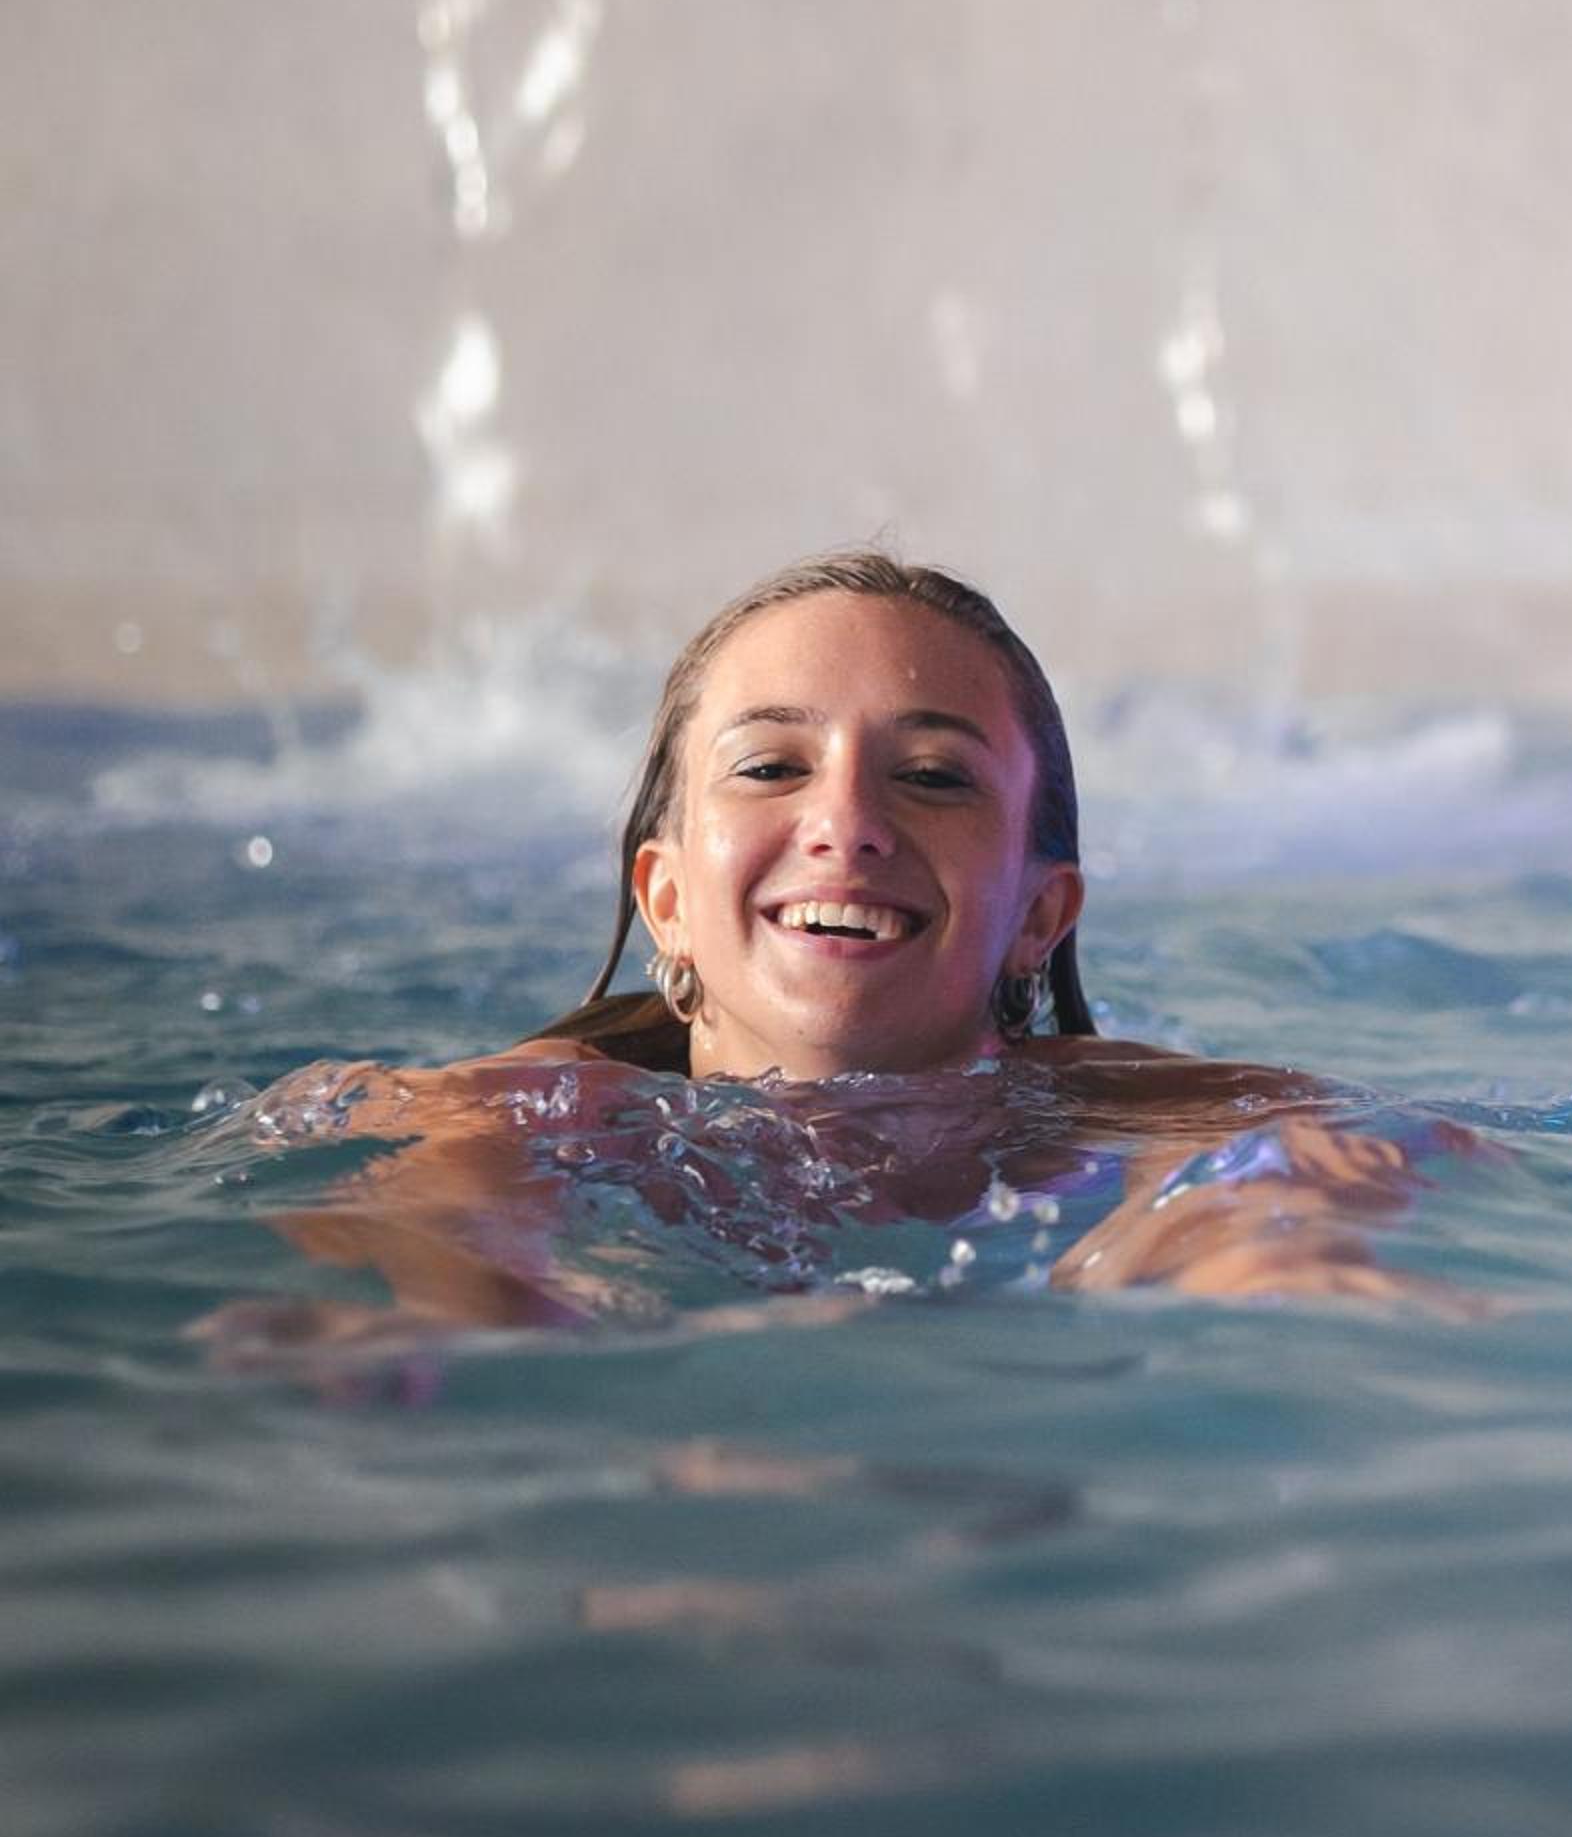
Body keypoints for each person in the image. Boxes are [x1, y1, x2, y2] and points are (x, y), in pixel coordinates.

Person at [219, 552, 1483, 1370]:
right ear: (666, 899)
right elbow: (448, 1239)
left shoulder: (1161, 1123)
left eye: (932, 777)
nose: (846, 822)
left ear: (1039, 915)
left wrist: (1280, 1268)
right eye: (771, 766)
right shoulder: (526, 1115)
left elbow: (1278, 1193)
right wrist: (423, 1322)